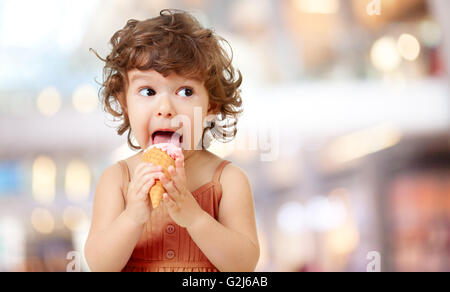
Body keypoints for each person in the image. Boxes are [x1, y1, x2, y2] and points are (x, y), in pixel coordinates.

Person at [84, 9, 259, 272]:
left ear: (211, 105)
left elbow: (243, 266)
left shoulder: (228, 180)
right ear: (124, 103)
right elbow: (99, 265)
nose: (165, 108)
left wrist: (194, 217)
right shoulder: (117, 180)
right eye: (148, 91)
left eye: (185, 91)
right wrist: (132, 216)